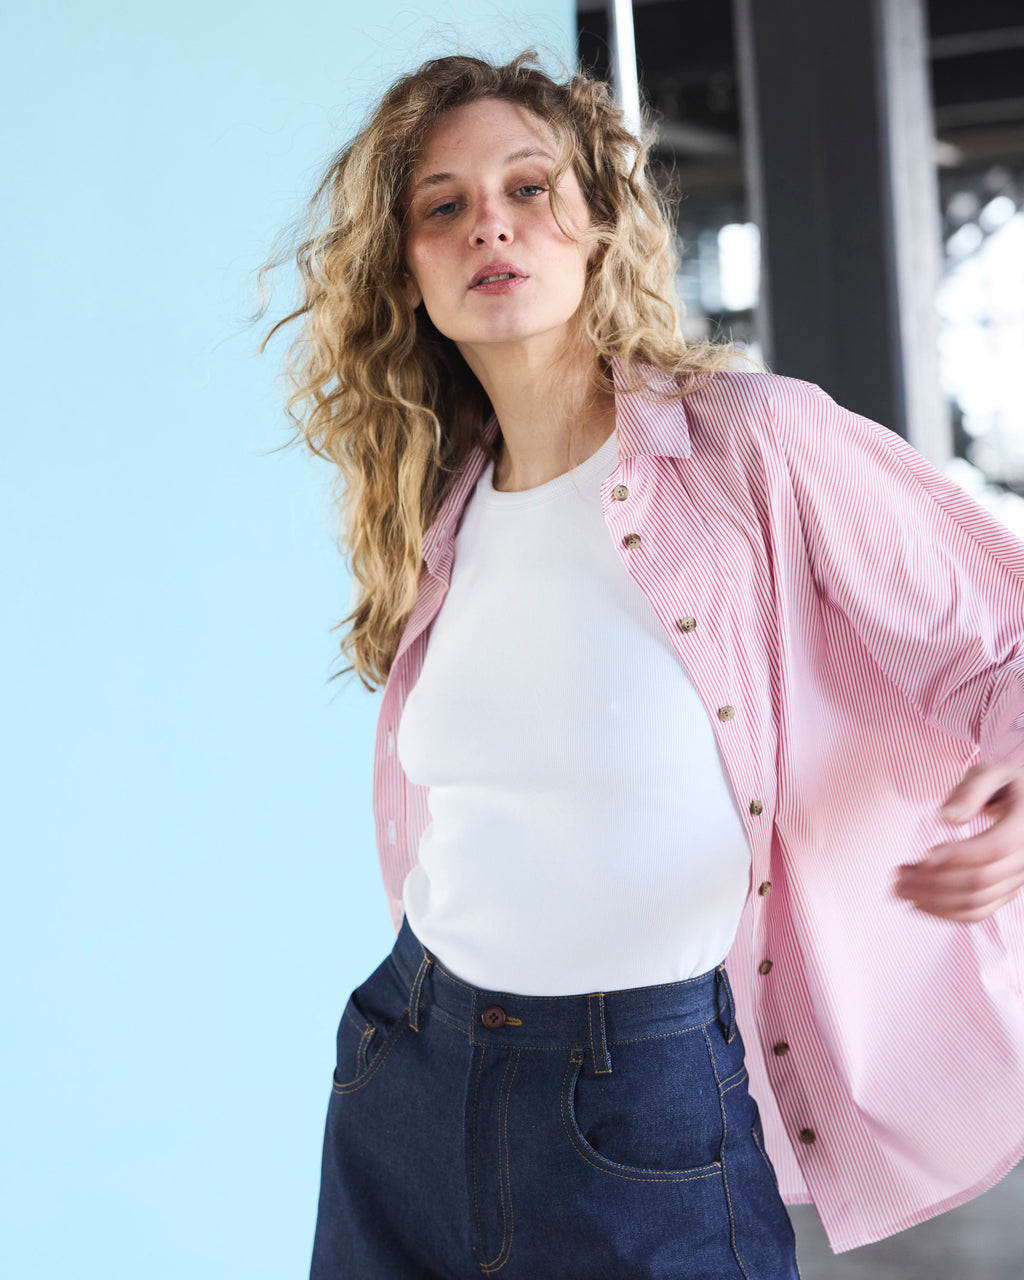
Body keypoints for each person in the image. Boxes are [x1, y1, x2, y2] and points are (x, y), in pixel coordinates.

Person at [255, 47, 1024, 1278]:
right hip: (406, 1062)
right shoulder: (438, 507)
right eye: (441, 206)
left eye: (529, 188)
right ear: (407, 268)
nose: (489, 225)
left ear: (599, 225)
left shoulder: (752, 444)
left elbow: (1004, 632)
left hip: (643, 1095)